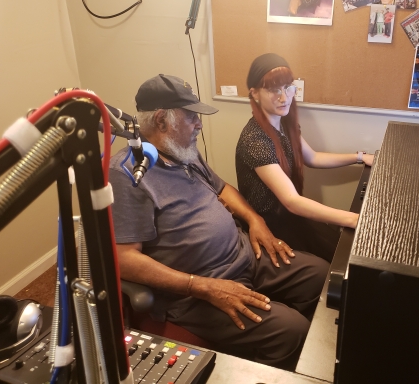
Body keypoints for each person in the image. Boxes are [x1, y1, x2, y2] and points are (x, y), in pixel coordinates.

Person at [110, 74, 329, 370]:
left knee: (321, 277)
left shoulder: (182, 151)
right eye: (191, 117)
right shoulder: (127, 175)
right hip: (199, 289)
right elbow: (124, 260)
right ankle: (259, 367)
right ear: (161, 121)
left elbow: (222, 187)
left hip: (241, 253)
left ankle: (262, 343)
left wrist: (254, 220)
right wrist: (202, 286)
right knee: (293, 331)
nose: (199, 124)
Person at [235, 54, 374, 263]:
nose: (284, 97)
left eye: (288, 87)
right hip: (272, 226)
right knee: (337, 260)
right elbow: (291, 201)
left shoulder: (285, 123)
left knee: (342, 250)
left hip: (292, 218)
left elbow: (313, 157)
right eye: (274, 89)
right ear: (255, 93)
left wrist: (360, 157)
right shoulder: (255, 140)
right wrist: (355, 219)